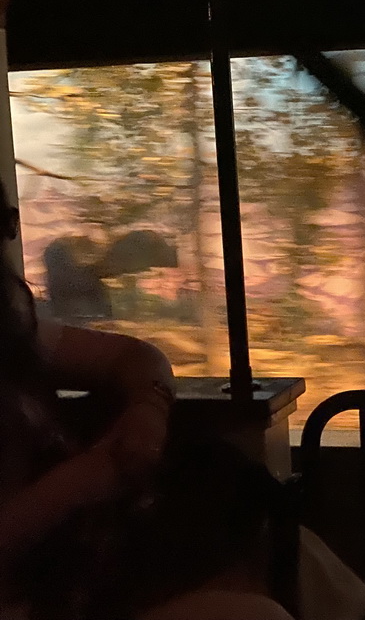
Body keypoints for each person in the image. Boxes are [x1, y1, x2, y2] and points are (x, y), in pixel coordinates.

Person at [0, 179, 295, 620]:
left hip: (80, 558)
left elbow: (135, 356)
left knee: (287, 543)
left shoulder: (13, 329)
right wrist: (77, 484)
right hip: (31, 591)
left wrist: (147, 411)